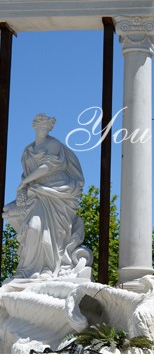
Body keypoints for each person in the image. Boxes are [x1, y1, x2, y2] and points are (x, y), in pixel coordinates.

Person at [2, 114, 91, 282]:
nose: (44, 130)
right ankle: (28, 270)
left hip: (56, 191)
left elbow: (47, 167)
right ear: (35, 126)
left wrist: (24, 183)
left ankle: (48, 269)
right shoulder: (28, 150)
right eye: (41, 127)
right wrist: (25, 187)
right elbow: (28, 173)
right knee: (34, 228)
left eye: (46, 128)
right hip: (36, 193)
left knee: (51, 234)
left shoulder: (54, 144)